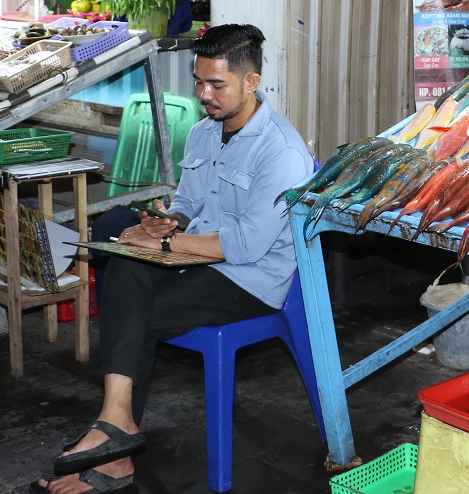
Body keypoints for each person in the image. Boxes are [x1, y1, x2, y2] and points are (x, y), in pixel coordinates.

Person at [32, 24, 312, 494]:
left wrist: (162, 246)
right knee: (118, 244)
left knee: (130, 304)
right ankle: (116, 425)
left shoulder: (281, 151)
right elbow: (190, 201)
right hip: (199, 261)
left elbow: (245, 246)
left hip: (251, 281)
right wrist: (167, 222)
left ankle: (116, 444)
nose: (205, 95)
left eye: (216, 85)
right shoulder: (205, 132)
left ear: (251, 81)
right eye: (198, 82)